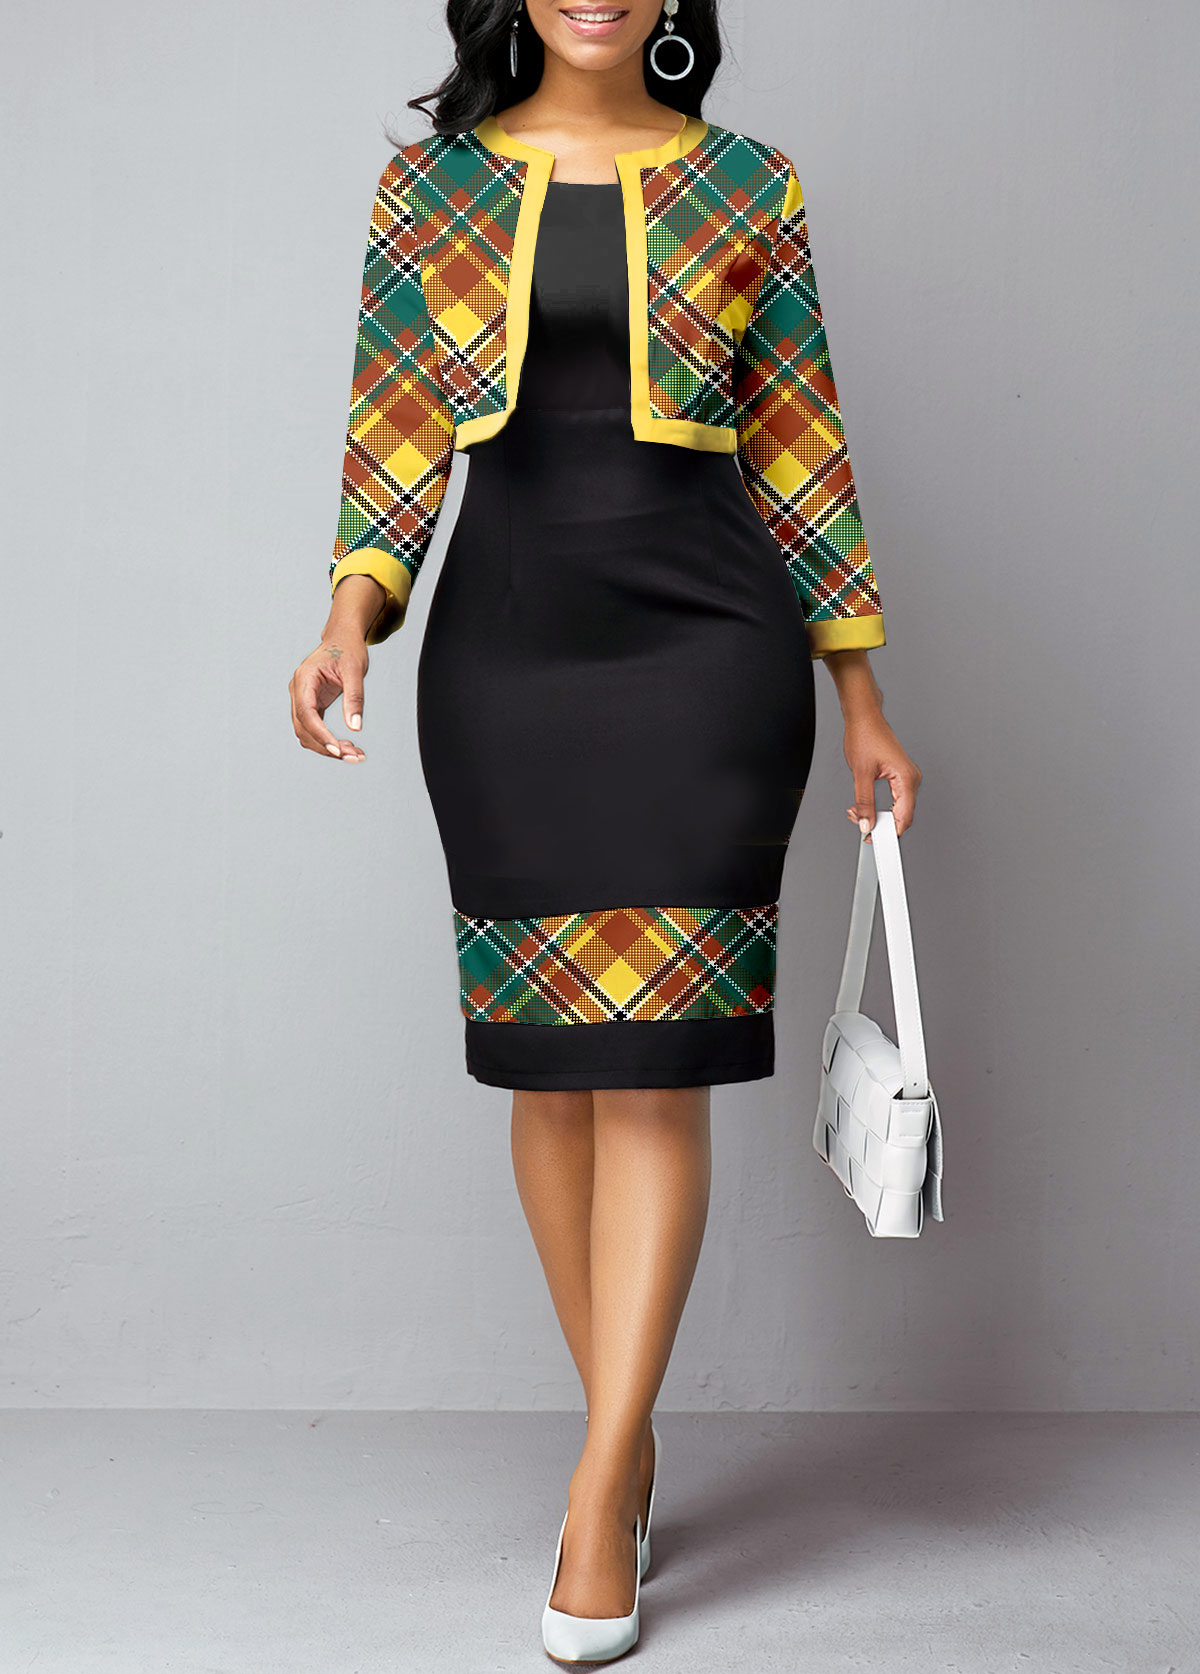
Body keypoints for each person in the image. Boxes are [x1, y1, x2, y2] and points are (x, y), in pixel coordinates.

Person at [288, 0, 922, 1660]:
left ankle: (593, 1494)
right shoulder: (426, 189)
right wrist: (350, 618)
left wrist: (861, 696)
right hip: (505, 664)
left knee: (649, 1071)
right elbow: (393, 424)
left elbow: (802, 443)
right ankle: (626, 1442)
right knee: (552, 1076)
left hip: (707, 659)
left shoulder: (751, 185)